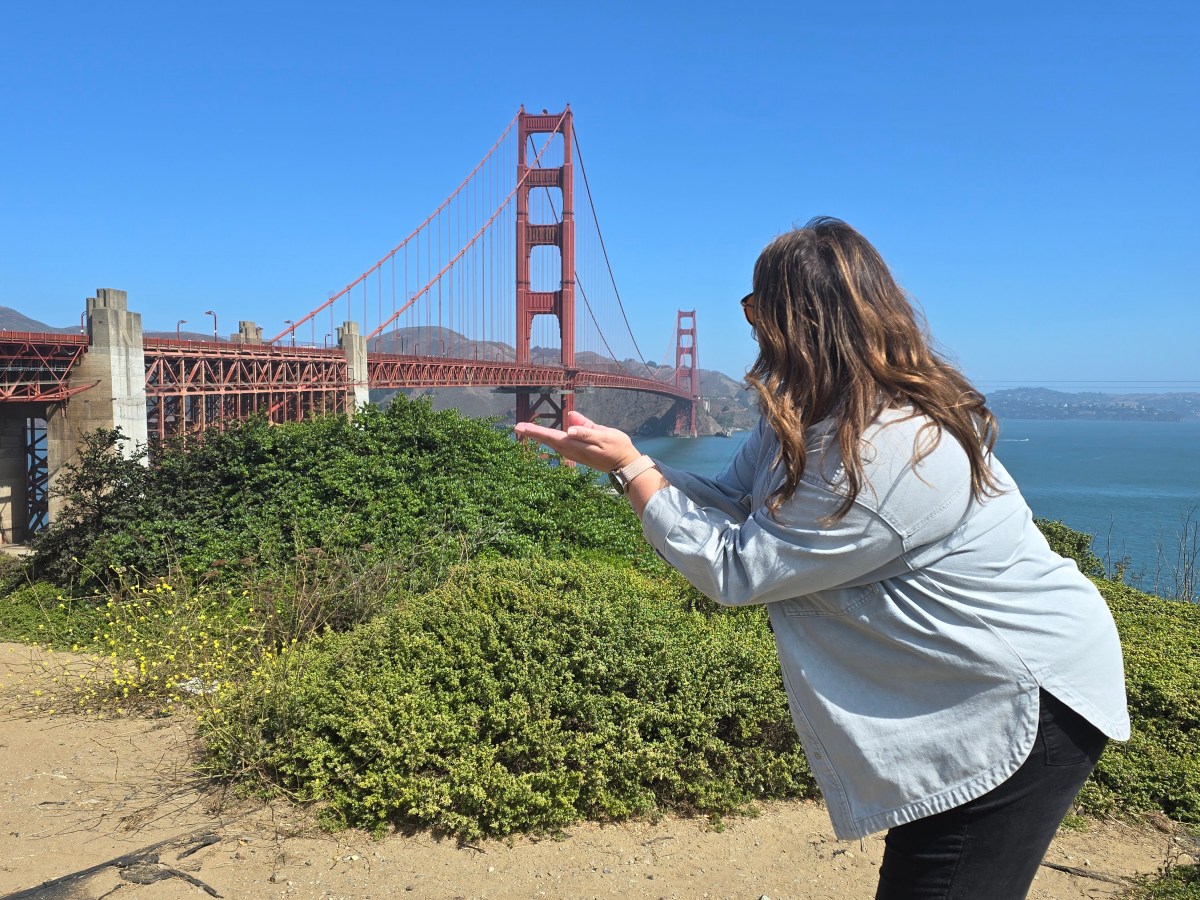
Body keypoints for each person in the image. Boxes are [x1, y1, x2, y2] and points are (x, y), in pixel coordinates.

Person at [514, 216, 1130, 900]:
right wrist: (634, 463)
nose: (750, 327)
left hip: (1022, 698)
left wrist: (634, 471)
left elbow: (738, 570)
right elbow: (728, 499)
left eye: (759, 310)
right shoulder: (809, 411)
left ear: (801, 321)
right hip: (958, 682)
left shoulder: (890, 449)